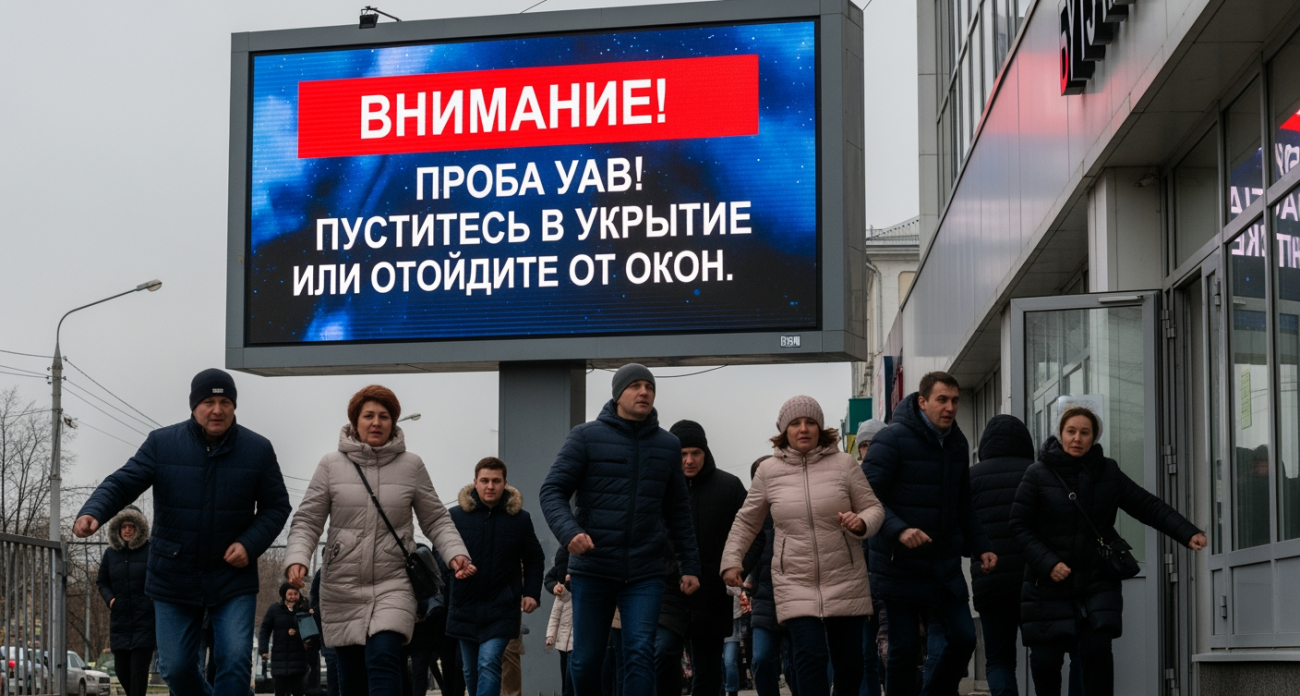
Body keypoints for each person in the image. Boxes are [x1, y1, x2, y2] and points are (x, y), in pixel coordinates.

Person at [73, 368, 292, 696]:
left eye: (224, 402)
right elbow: (123, 481)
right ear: (193, 406)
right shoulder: (162, 444)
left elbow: (277, 507)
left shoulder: (257, 449)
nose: (216, 409)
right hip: (173, 574)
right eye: (208, 401)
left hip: (231, 577)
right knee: (175, 670)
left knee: (233, 662)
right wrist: (94, 511)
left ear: (233, 407)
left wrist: (250, 543)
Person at [283, 385, 474, 696]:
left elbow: (437, 518)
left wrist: (456, 554)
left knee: (383, 655)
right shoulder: (330, 464)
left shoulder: (412, 465)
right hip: (341, 586)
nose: (376, 422)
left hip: (393, 583)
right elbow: (307, 520)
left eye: (384, 416)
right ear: (355, 421)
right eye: (368, 415)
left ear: (393, 422)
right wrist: (297, 559)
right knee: (352, 675)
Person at [1011, 406, 1207, 696]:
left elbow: (1146, 505)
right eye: (1071, 431)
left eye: (1085, 432)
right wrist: (1049, 563)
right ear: (1060, 434)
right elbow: (1019, 527)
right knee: (1045, 661)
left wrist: (1186, 531)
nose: (1077, 438)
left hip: (1096, 580)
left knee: (1097, 653)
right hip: (1047, 584)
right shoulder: (1037, 474)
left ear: (1094, 437)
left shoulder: (1108, 471)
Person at [539, 363, 703, 696]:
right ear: (617, 394)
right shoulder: (585, 436)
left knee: (641, 653)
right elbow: (552, 490)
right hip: (594, 567)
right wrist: (569, 533)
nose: (644, 392)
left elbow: (678, 512)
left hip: (645, 571)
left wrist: (691, 566)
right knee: (586, 660)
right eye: (635, 386)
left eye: (649, 386)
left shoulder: (667, 445)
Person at [722, 395, 885, 696]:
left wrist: (861, 523)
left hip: (844, 576)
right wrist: (732, 560)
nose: (803, 428)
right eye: (795, 423)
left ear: (820, 428)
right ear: (784, 431)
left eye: (810, 422)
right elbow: (746, 521)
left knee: (850, 664)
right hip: (794, 580)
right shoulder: (768, 471)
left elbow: (874, 509)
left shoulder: (845, 464)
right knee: (810, 656)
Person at [862, 371, 996, 696]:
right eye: (942, 400)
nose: (950, 407)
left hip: (942, 565)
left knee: (964, 637)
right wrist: (899, 529)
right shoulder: (892, 439)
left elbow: (962, 503)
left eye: (955, 400)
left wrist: (982, 546)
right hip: (899, 564)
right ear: (922, 402)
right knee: (903, 651)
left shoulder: (958, 443)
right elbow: (865, 494)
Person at [653, 420, 763, 696]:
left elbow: (755, 532)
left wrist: (739, 566)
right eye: (682, 454)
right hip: (669, 588)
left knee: (709, 670)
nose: (689, 461)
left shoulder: (729, 486)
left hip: (712, 591)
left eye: (695, 453)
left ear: (706, 452)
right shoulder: (658, 488)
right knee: (663, 651)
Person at [447, 457, 545, 696]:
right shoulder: (455, 516)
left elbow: (534, 558)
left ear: (505, 483)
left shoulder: (520, 519)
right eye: (485, 481)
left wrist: (531, 592)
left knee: (489, 664)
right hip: (465, 606)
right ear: (475, 483)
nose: (490, 486)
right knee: (470, 670)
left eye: (496, 481)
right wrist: (455, 564)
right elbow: (441, 550)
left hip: (502, 607)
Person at [965, 415, 1036, 696]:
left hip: (990, 579)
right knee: (1044, 654)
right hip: (1035, 578)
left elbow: (961, 533)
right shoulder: (1038, 471)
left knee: (998, 659)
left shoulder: (971, 478)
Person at [95, 506, 155, 696]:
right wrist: (111, 600)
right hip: (120, 621)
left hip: (144, 620)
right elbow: (102, 581)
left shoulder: (150, 550)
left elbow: (159, 577)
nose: (128, 530)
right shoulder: (111, 554)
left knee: (138, 673)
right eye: (124, 526)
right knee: (121, 670)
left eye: (132, 526)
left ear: (139, 528)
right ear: (118, 529)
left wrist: (150, 600)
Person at [854, 419, 886, 696]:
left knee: (894, 651)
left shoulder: (897, 477)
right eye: (864, 445)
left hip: (890, 576)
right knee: (866, 654)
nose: (868, 450)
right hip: (860, 580)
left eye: (873, 444)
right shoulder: (851, 481)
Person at [259, 583, 312, 696]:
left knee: (298, 690)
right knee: (280, 690)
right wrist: (263, 649)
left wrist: (310, 645)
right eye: (290, 594)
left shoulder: (305, 609)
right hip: (279, 657)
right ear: (284, 595)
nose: (293, 596)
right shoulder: (274, 609)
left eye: (295, 594)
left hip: (299, 658)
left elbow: (311, 631)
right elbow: (265, 629)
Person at [546, 572, 575, 696]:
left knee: (571, 675)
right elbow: (555, 616)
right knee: (565, 674)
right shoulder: (562, 592)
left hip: (575, 643)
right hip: (562, 643)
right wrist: (550, 636)